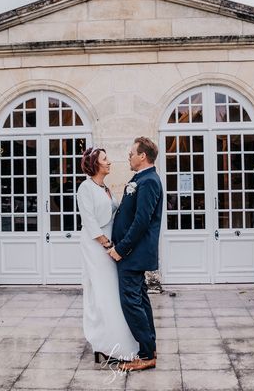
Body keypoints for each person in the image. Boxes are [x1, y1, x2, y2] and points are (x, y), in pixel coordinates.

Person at [76, 147, 139, 364]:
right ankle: (104, 344)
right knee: (103, 293)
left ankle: (119, 342)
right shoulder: (85, 188)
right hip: (97, 246)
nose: (110, 162)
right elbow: (90, 221)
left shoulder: (105, 187)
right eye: (105, 159)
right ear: (95, 164)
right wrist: (108, 244)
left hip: (110, 244)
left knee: (113, 291)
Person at [108, 137, 163, 372]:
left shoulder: (149, 181)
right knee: (139, 299)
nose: (128, 157)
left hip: (133, 254)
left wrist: (121, 249)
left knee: (131, 301)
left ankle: (146, 354)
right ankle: (149, 347)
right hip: (133, 253)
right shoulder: (140, 178)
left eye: (131, 153)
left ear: (142, 156)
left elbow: (142, 221)